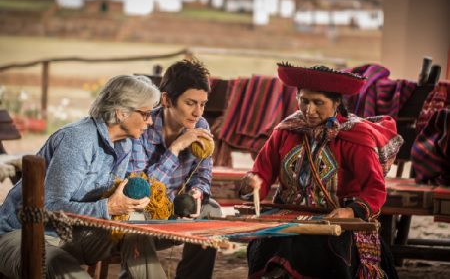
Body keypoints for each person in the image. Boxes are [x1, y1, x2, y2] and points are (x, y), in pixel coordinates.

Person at [239, 63, 403, 279]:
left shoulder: (355, 137)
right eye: (304, 101)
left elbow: (374, 188)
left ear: (336, 103)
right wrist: (252, 185)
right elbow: (261, 172)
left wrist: (351, 212)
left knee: (310, 245)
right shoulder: (286, 131)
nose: (309, 110)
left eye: (319, 103)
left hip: (333, 220)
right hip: (286, 215)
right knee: (274, 239)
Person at [0, 75, 167, 278]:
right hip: (22, 234)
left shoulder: (125, 143)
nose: (150, 121)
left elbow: (109, 202)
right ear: (121, 113)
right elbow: (50, 207)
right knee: (56, 262)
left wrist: (129, 204)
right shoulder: (78, 140)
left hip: (70, 234)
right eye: (146, 114)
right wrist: (109, 207)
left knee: (137, 230)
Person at [128, 59, 222, 279]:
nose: (198, 112)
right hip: (142, 211)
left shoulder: (200, 125)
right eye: (190, 103)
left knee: (212, 212)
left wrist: (196, 193)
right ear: (167, 100)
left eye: (203, 104)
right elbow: (140, 190)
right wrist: (176, 147)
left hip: (177, 210)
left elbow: (203, 173)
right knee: (135, 221)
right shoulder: (141, 126)